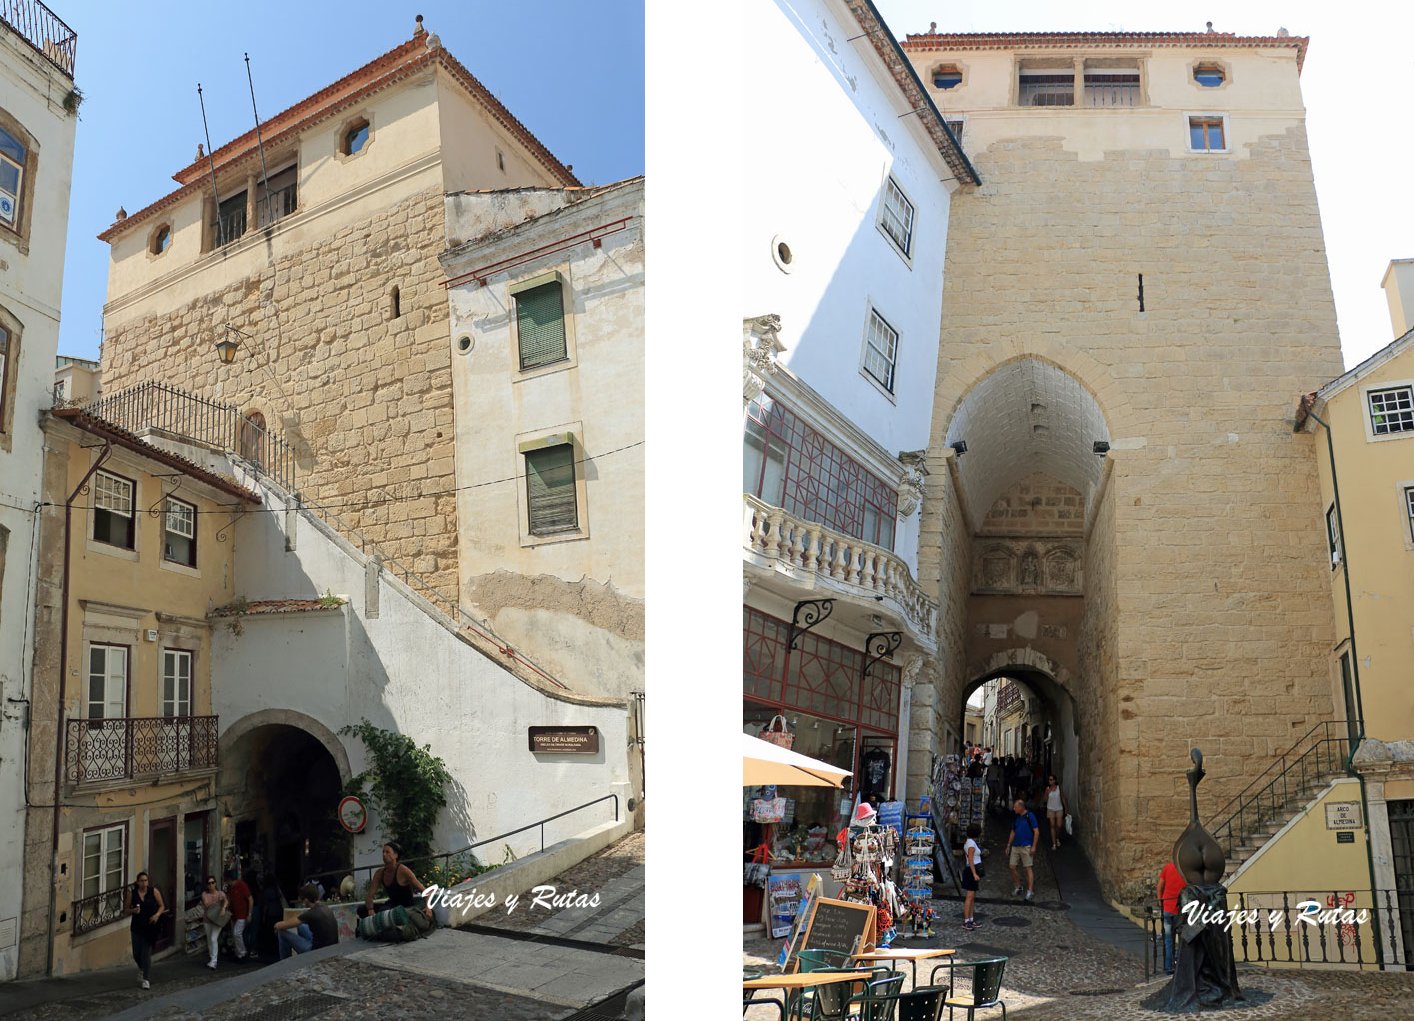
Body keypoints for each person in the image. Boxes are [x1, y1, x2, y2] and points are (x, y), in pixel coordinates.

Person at [361, 841, 432, 920]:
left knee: (383, 911)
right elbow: (369, 896)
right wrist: (370, 910)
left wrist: (428, 907)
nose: (384, 854)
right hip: (391, 904)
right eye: (383, 852)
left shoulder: (403, 870)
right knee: (361, 909)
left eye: (387, 852)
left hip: (405, 907)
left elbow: (425, 891)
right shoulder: (380, 873)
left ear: (396, 855)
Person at [274, 883, 339, 959]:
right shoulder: (326, 908)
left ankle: (284, 963)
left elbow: (283, 925)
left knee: (281, 933)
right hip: (332, 948)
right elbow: (298, 920)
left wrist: (277, 925)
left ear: (306, 900)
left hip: (316, 953)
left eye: (303, 900)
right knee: (301, 926)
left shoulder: (311, 914)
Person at [127, 871, 165, 989]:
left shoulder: (153, 891)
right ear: (137, 882)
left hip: (150, 926)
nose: (144, 883)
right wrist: (133, 911)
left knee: (146, 953)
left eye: (146, 881)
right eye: (142, 881)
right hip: (137, 927)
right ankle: (142, 968)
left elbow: (162, 906)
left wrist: (157, 915)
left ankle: (146, 979)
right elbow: (125, 909)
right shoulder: (132, 894)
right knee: (136, 953)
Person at [1006, 799, 1039, 902]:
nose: (1014, 808)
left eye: (1015, 807)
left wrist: (1034, 846)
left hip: (1026, 846)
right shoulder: (1017, 818)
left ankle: (1030, 890)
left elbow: (1036, 832)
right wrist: (1008, 845)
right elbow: (1013, 831)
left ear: (1021, 807)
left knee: (1027, 868)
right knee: (1012, 866)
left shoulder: (1030, 816)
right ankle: (1019, 886)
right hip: (1016, 846)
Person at [1158, 858, 1186, 975]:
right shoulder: (1185, 872)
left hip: (1167, 908)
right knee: (1182, 941)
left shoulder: (1167, 868)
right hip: (1179, 910)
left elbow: (1159, 886)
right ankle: (1180, 967)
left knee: (1168, 941)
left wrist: (1160, 901)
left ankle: (1169, 968)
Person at [199, 875, 229, 969]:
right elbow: (206, 904)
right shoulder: (204, 894)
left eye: (213, 882)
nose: (211, 885)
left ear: (215, 883)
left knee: (213, 938)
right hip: (208, 919)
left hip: (218, 919)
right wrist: (217, 901)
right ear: (207, 885)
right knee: (209, 939)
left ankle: (214, 961)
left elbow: (226, 901)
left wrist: (223, 907)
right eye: (209, 883)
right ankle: (212, 958)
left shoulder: (220, 893)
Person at [961, 822, 984, 931]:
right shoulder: (971, 844)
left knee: (972, 896)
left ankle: (970, 918)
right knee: (969, 897)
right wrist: (974, 873)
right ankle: (966, 920)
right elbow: (970, 859)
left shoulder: (970, 842)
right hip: (971, 871)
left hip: (971, 870)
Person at [225, 869, 252, 961]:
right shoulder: (229, 888)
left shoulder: (242, 885)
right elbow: (229, 899)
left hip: (242, 914)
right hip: (234, 915)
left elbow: (250, 899)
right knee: (234, 934)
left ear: (229, 879)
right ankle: (238, 954)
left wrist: (249, 914)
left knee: (237, 933)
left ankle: (242, 953)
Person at [1043, 774, 1068, 851]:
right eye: (1049, 780)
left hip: (1059, 808)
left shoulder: (1059, 788)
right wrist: (1047, 793)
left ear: (1055, 780)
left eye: (1051, 780)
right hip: (1050, 809)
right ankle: (1054, 843)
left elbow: (1063, 798)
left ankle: (1057, 837)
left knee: (1059, 825)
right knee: (1052, 826)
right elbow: (1044, 800)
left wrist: (1066, 808)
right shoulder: (1047, 789)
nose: (1050, 781)